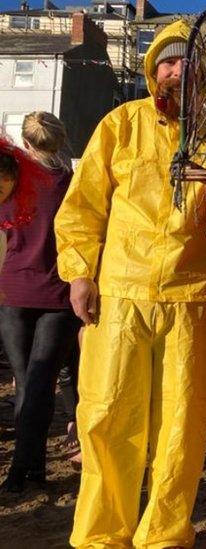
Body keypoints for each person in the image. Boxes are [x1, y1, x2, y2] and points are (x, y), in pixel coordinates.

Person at [54, 20, 206, 547]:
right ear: (152, 70)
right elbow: (84, 208)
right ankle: (101, 533)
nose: (178, 70)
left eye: (190, 62)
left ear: (204, 74)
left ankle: (163, 533)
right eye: (168, 61)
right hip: (120, 293)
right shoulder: (120, 124)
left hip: (194, 299)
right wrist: (79, 273)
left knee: (181, 425)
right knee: (107, 415)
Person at [0, 113, 77, 493]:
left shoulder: (12, 183)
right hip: (59, 293)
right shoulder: (74, 186)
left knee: (26, 385)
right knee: (40, 384)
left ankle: (22, 472)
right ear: (61, 142)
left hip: (15, 290)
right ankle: (30, 470)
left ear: (26, 144)